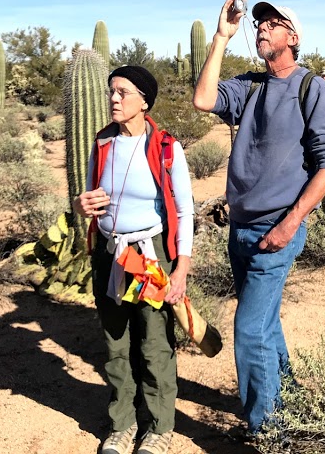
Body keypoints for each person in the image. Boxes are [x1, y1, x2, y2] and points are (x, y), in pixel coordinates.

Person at [193, 0, 325, 440]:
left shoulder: (312, 89)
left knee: (249, 331)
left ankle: (270, 433)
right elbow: (203, 100)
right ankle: (289, 397)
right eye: (259, 23)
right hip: (240, 227)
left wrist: (290, 223)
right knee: (265, 323)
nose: (262, 28)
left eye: (273, 24)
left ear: (293, 38)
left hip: (276, 230)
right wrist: (222, 35)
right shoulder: (250, 86)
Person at [72, 65, 194, 454]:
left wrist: (182, 270)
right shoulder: (103, 142)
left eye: (123, 92)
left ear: (144, 100)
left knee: (154, 342)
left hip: (150, 255)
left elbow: (186, 211)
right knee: (116, 340)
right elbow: (89, 196)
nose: (113, 99)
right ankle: (121, 424)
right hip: (110, 252)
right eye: (111, 91)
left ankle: (159, 428)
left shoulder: (165, 147)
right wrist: (80, 204)